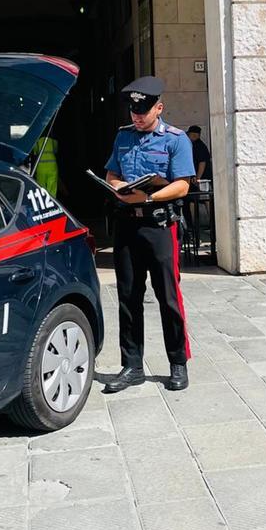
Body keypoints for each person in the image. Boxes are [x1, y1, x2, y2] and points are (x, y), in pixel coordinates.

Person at [101, 76, 196, 393]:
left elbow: (183, 183)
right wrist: (115, 186)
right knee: (128, 297)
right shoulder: (123, 137)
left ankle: (177, 362)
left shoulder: (176, 140)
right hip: (127, 225)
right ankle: (132, 366)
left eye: (143, 111)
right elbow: (113, 172)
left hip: (158, 225)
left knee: (169, 297)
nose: (137, 116)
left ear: (159, 108)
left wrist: (150, 198)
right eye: (133, 111)